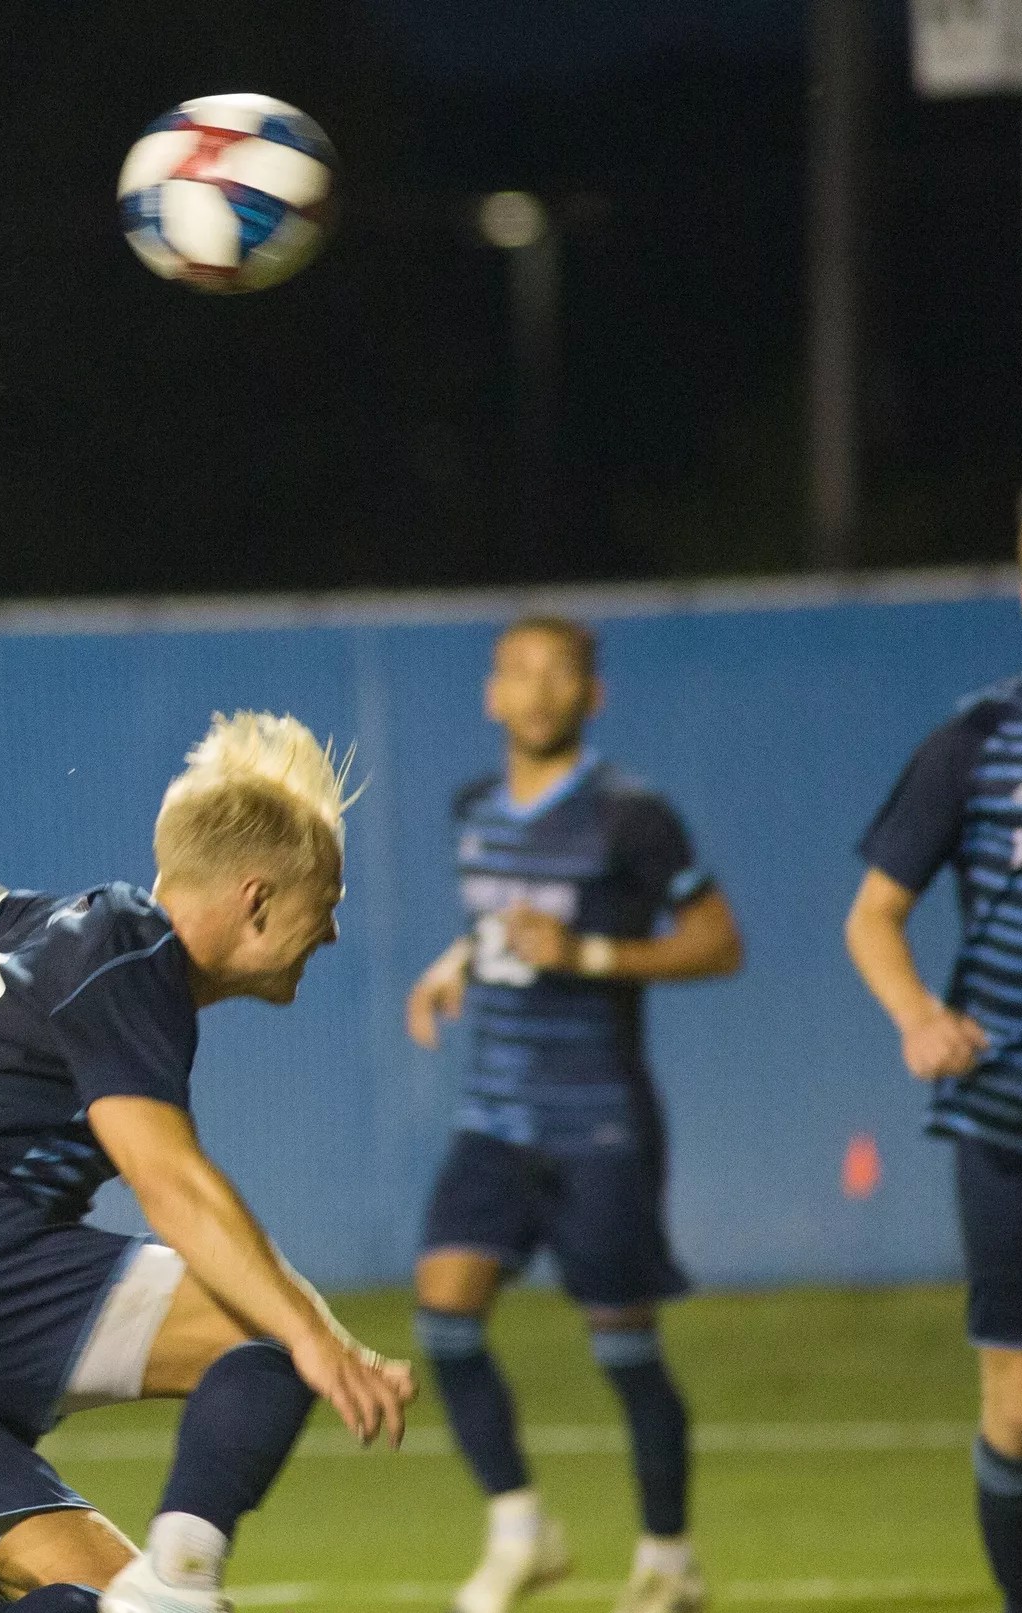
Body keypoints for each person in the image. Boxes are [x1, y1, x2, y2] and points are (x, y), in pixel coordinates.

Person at [0, 711, 416, 1613]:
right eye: (329, 901)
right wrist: (317, 1337)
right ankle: (184, 1586)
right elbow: (170, 1183)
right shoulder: (129, 954)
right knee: (269, 1328)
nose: (334, 931)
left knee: (91, 1595)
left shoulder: (54, 930)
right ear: (257, 898)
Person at [403, 616, 742, 1613]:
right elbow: (498, 921)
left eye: (558, 674)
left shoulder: (631, 816)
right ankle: (520, 1526)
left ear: (590, 695)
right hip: (494, 1119)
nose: (536, 690)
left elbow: (718, 941)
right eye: (517, 672)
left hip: (599, 1121)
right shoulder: (470, 808)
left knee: (622, 1348)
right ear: (489, 695)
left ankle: (668, 1556)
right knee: (444, 1315)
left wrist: (588, 954)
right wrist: (454, 961)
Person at [846, 487, 1022, 1613]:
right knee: (1019, 1414)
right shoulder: (974, 740)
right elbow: (871, 914)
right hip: (1007, 1119)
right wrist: (917, 1012)